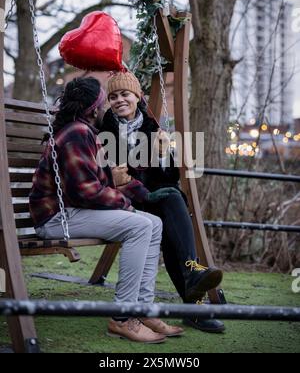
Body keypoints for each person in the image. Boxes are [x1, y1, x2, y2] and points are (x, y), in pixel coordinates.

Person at [29, 76, 185, 344]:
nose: (107, 107)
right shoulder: (77, 133)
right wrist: (127, 205)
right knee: (139, 225)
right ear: (93, 107)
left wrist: (144, 195)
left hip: (75, 211)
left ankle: (143, 308)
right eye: (104, 101)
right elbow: (86, 192)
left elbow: (105, 180)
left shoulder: (85, 132)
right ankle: (122, 317)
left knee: (154, 223)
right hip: (57, 218)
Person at [101, 70, 225, 333]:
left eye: (125, 94)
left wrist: (163, 154)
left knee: (172, 207)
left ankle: (193, 284)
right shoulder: (105, 131)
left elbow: (169, 176)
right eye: (113, 96)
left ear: (137, 96)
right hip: (125, 199)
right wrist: (148, 152)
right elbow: (118, 174)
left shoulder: (152, 127)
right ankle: (195, 302)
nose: (119, 100)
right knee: (169, 209)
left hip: (154, 199)